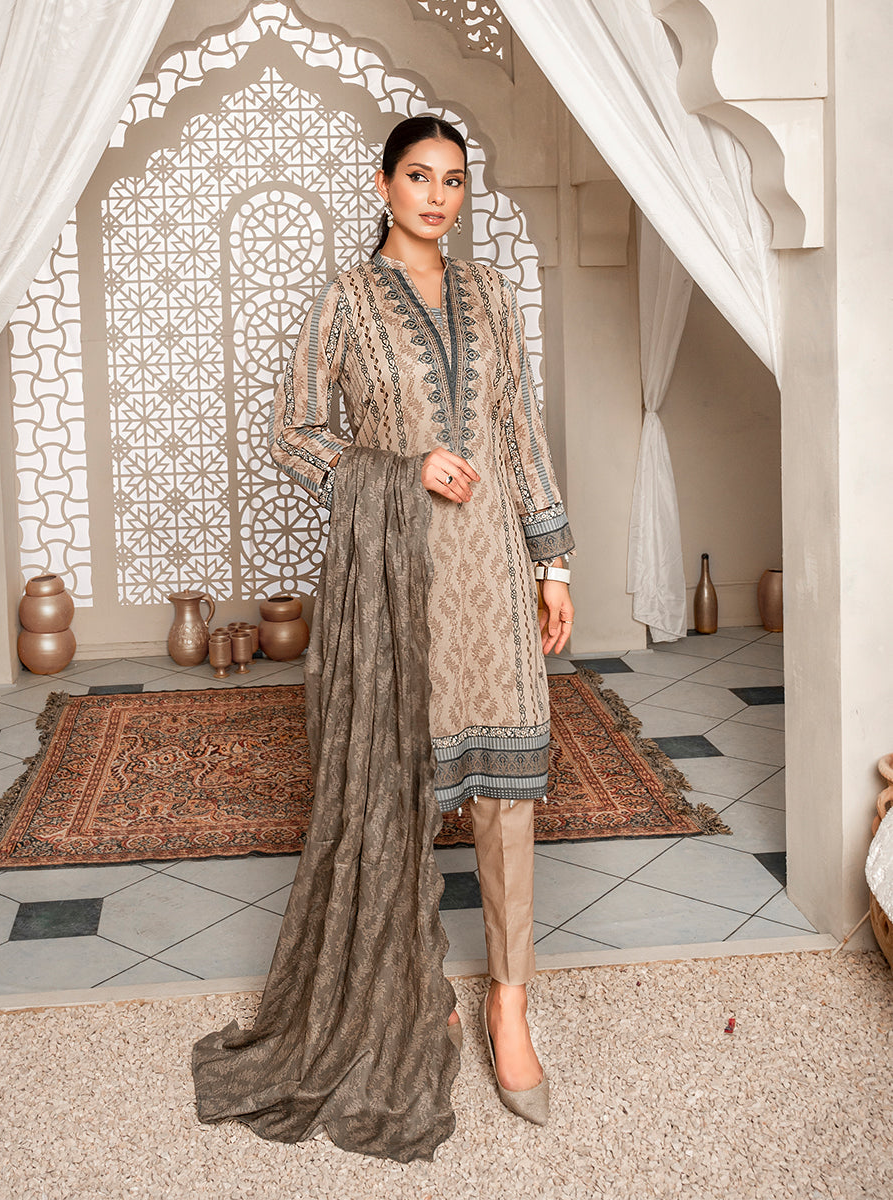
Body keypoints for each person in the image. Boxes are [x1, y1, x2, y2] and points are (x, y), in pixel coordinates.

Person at [272, 114, 575, 1126]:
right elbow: (294, 434)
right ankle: (415, 977)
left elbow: (520, 431)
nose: (437, 196)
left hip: (495, 570)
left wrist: (553, 561)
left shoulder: (491, 295)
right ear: (383, 184)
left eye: (452, 180)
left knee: (507, 796)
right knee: (403, 788)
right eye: (418, 176)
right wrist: (402, 470)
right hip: (396, 576)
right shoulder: (347, 300)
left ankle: (510, 1004)